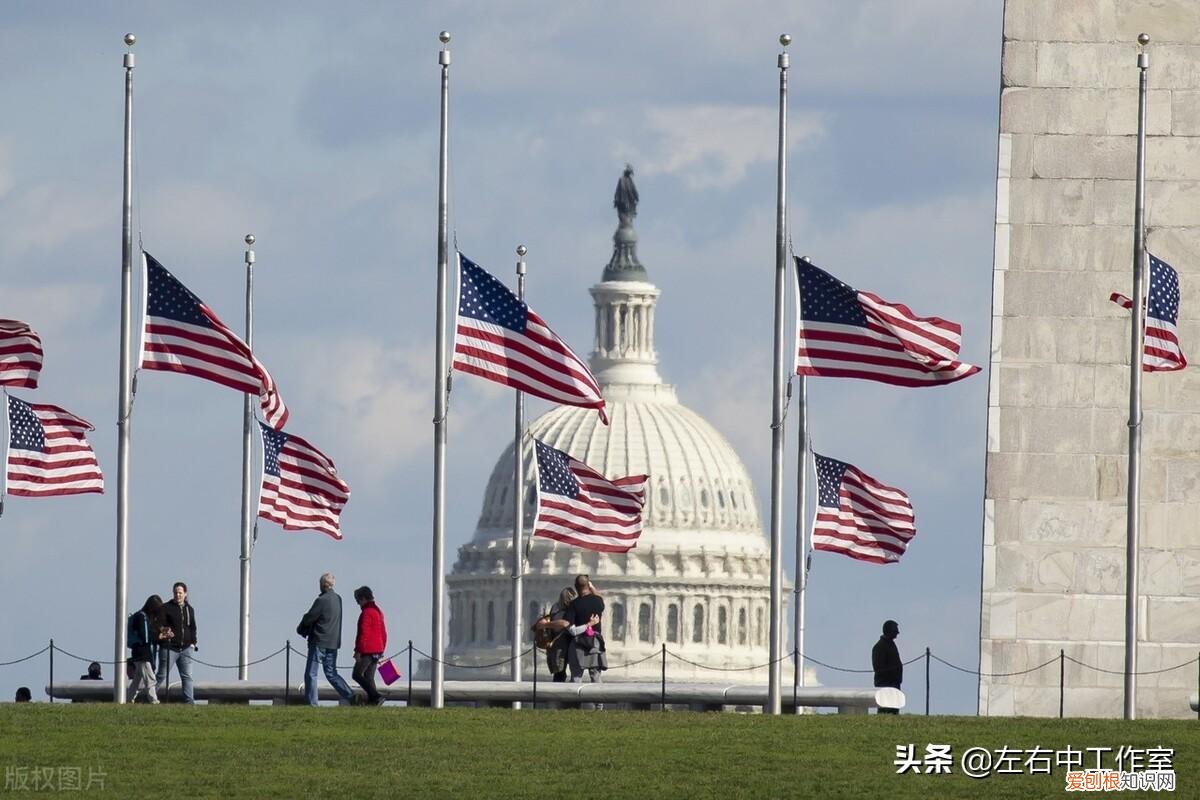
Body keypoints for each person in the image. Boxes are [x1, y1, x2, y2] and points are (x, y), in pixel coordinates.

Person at [297, 572, 355, 706]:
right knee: (331, 673)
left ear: (322, 585)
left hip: (319, 641)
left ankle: (312, 703)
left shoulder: (321, 600)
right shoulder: (338, 599)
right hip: (333, 642)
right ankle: (350, 695)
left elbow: (310, 617)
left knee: (311, 673)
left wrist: (301, 628)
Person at [157, 581, 198, 704]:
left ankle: (189, 702)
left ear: (185, 594)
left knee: (187, 677)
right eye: (176, 593)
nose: (178, 595)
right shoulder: (166, 607)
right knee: (161, 675)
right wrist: (165, 631)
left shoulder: (189, 609)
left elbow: (193, 627)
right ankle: (150, 697)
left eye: (180, 593)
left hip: (186, 648)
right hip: (169, 648)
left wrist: (193, 642)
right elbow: (159, 623)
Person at [566, 575, 607, 685]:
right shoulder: (598, 601)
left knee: (576, 677)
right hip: (595, 643)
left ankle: (574, 702)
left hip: (579, 643)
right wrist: (592, 587)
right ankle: (599, 702)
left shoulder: (574, 604)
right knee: (596, 677)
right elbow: (599, 597)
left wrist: (587, 625)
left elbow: (572, 630)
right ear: (588, 585)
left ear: (575, 587)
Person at [351, 586, 387, 706]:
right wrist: (382, 648)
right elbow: (383, 632)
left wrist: (358, 651)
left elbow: (363, 634)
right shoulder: (378, 611)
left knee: (356, 674)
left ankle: (376, 696)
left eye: (358, 600)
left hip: (367, 650)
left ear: (363, 598)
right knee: (369, 676)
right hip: (378, 649)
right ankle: (373, 701)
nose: (358, 604)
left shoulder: (366, 613)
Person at [532, 587, 577, 682]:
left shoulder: (558, 607)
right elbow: (562, 623)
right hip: (560, 642)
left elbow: (564, 623)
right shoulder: (558, 608)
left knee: (563, 670)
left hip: (563, 642)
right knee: (560, 671)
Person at [128, 594, 165, 704]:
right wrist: (159, 636)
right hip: (143, 653)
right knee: (150, 678)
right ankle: (153, 700)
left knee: (137, 680)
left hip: (137, 652)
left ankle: (128, 699)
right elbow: (146, 637)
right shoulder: (142, 617)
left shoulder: (140, 616)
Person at [872, 619, 902, 715]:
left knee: (894, 709)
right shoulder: (880, 646)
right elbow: (878, 667)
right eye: (895, 630)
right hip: (885, 684)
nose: (897, 633)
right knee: (885, 709)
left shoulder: (891, 645)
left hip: (894, 684)